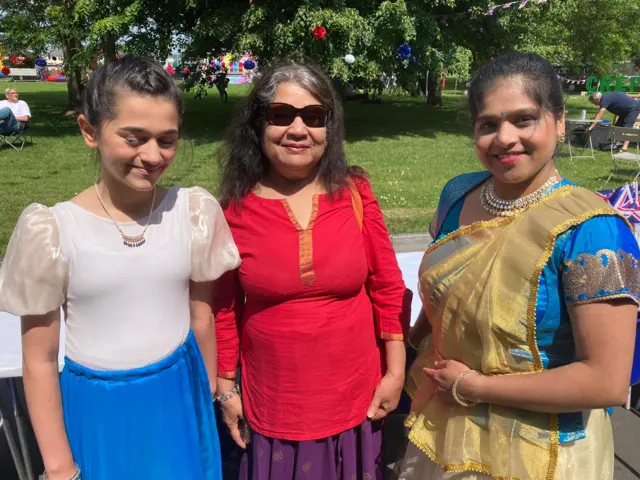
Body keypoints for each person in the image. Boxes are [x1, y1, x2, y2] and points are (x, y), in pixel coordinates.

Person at [397, 52, 639, 480]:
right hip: (447, 424)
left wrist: (474, 387)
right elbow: (449, 289)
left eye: (524, 119)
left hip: (542, 449)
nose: (504, 138)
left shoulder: (592, 231)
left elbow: (606, 382)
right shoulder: (457, 194)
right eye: (488, 124)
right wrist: (410, 345)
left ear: (559, 121)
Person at [0, 56, 240, 480]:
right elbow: (39, 358)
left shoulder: (194, 212)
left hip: (180, 397)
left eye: (167, 140)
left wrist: (206, 406)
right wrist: (59, 467)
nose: (151, 155)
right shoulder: (54, 230)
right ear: (90, 132)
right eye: (134, 138)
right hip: (98, 411)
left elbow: (200, 319)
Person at [213, 59, 409, 480]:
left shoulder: (354, 191)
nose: (298, 130)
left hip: (355, 398)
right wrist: (226, 389)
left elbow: (387, 286)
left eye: (314, 117)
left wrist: (395, 372)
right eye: (281, 116)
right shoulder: (234, 208)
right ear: (259, 124)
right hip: (274, 404)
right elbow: (224, 308)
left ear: (329, 128)